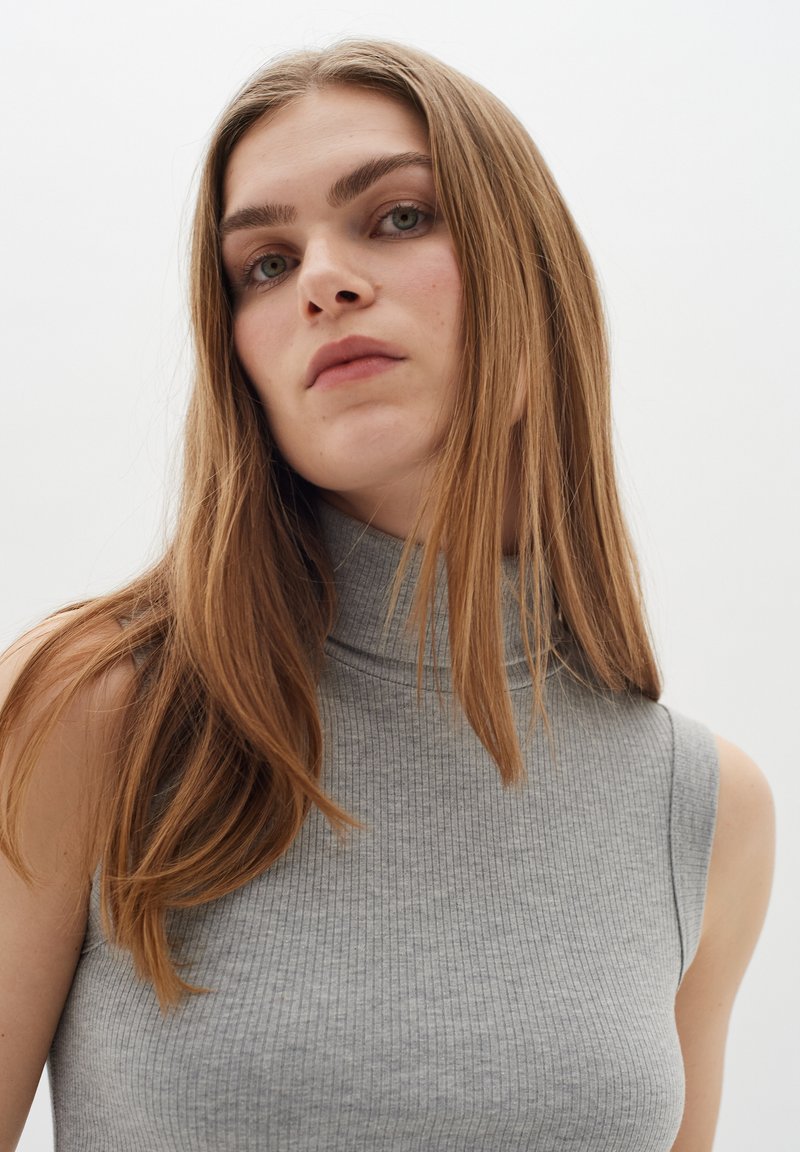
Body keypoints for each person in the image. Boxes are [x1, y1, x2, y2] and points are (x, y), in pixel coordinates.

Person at [0, 39, 774, 1152]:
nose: (322, 279)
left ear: (531, 274)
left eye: (399, 216)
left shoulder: (701, 811)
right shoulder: (96, 710)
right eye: (264, 263)